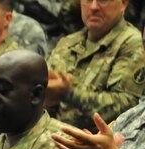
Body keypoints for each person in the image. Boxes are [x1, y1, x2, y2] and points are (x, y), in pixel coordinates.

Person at [45, 0, 145, 131]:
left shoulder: (134, 44)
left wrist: (67, 93)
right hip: (53, 136)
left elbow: (125, 107)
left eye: (103, 1)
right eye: (87, 0)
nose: (93, 7)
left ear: (123, 4)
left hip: (100, 143)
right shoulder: (67, 43)